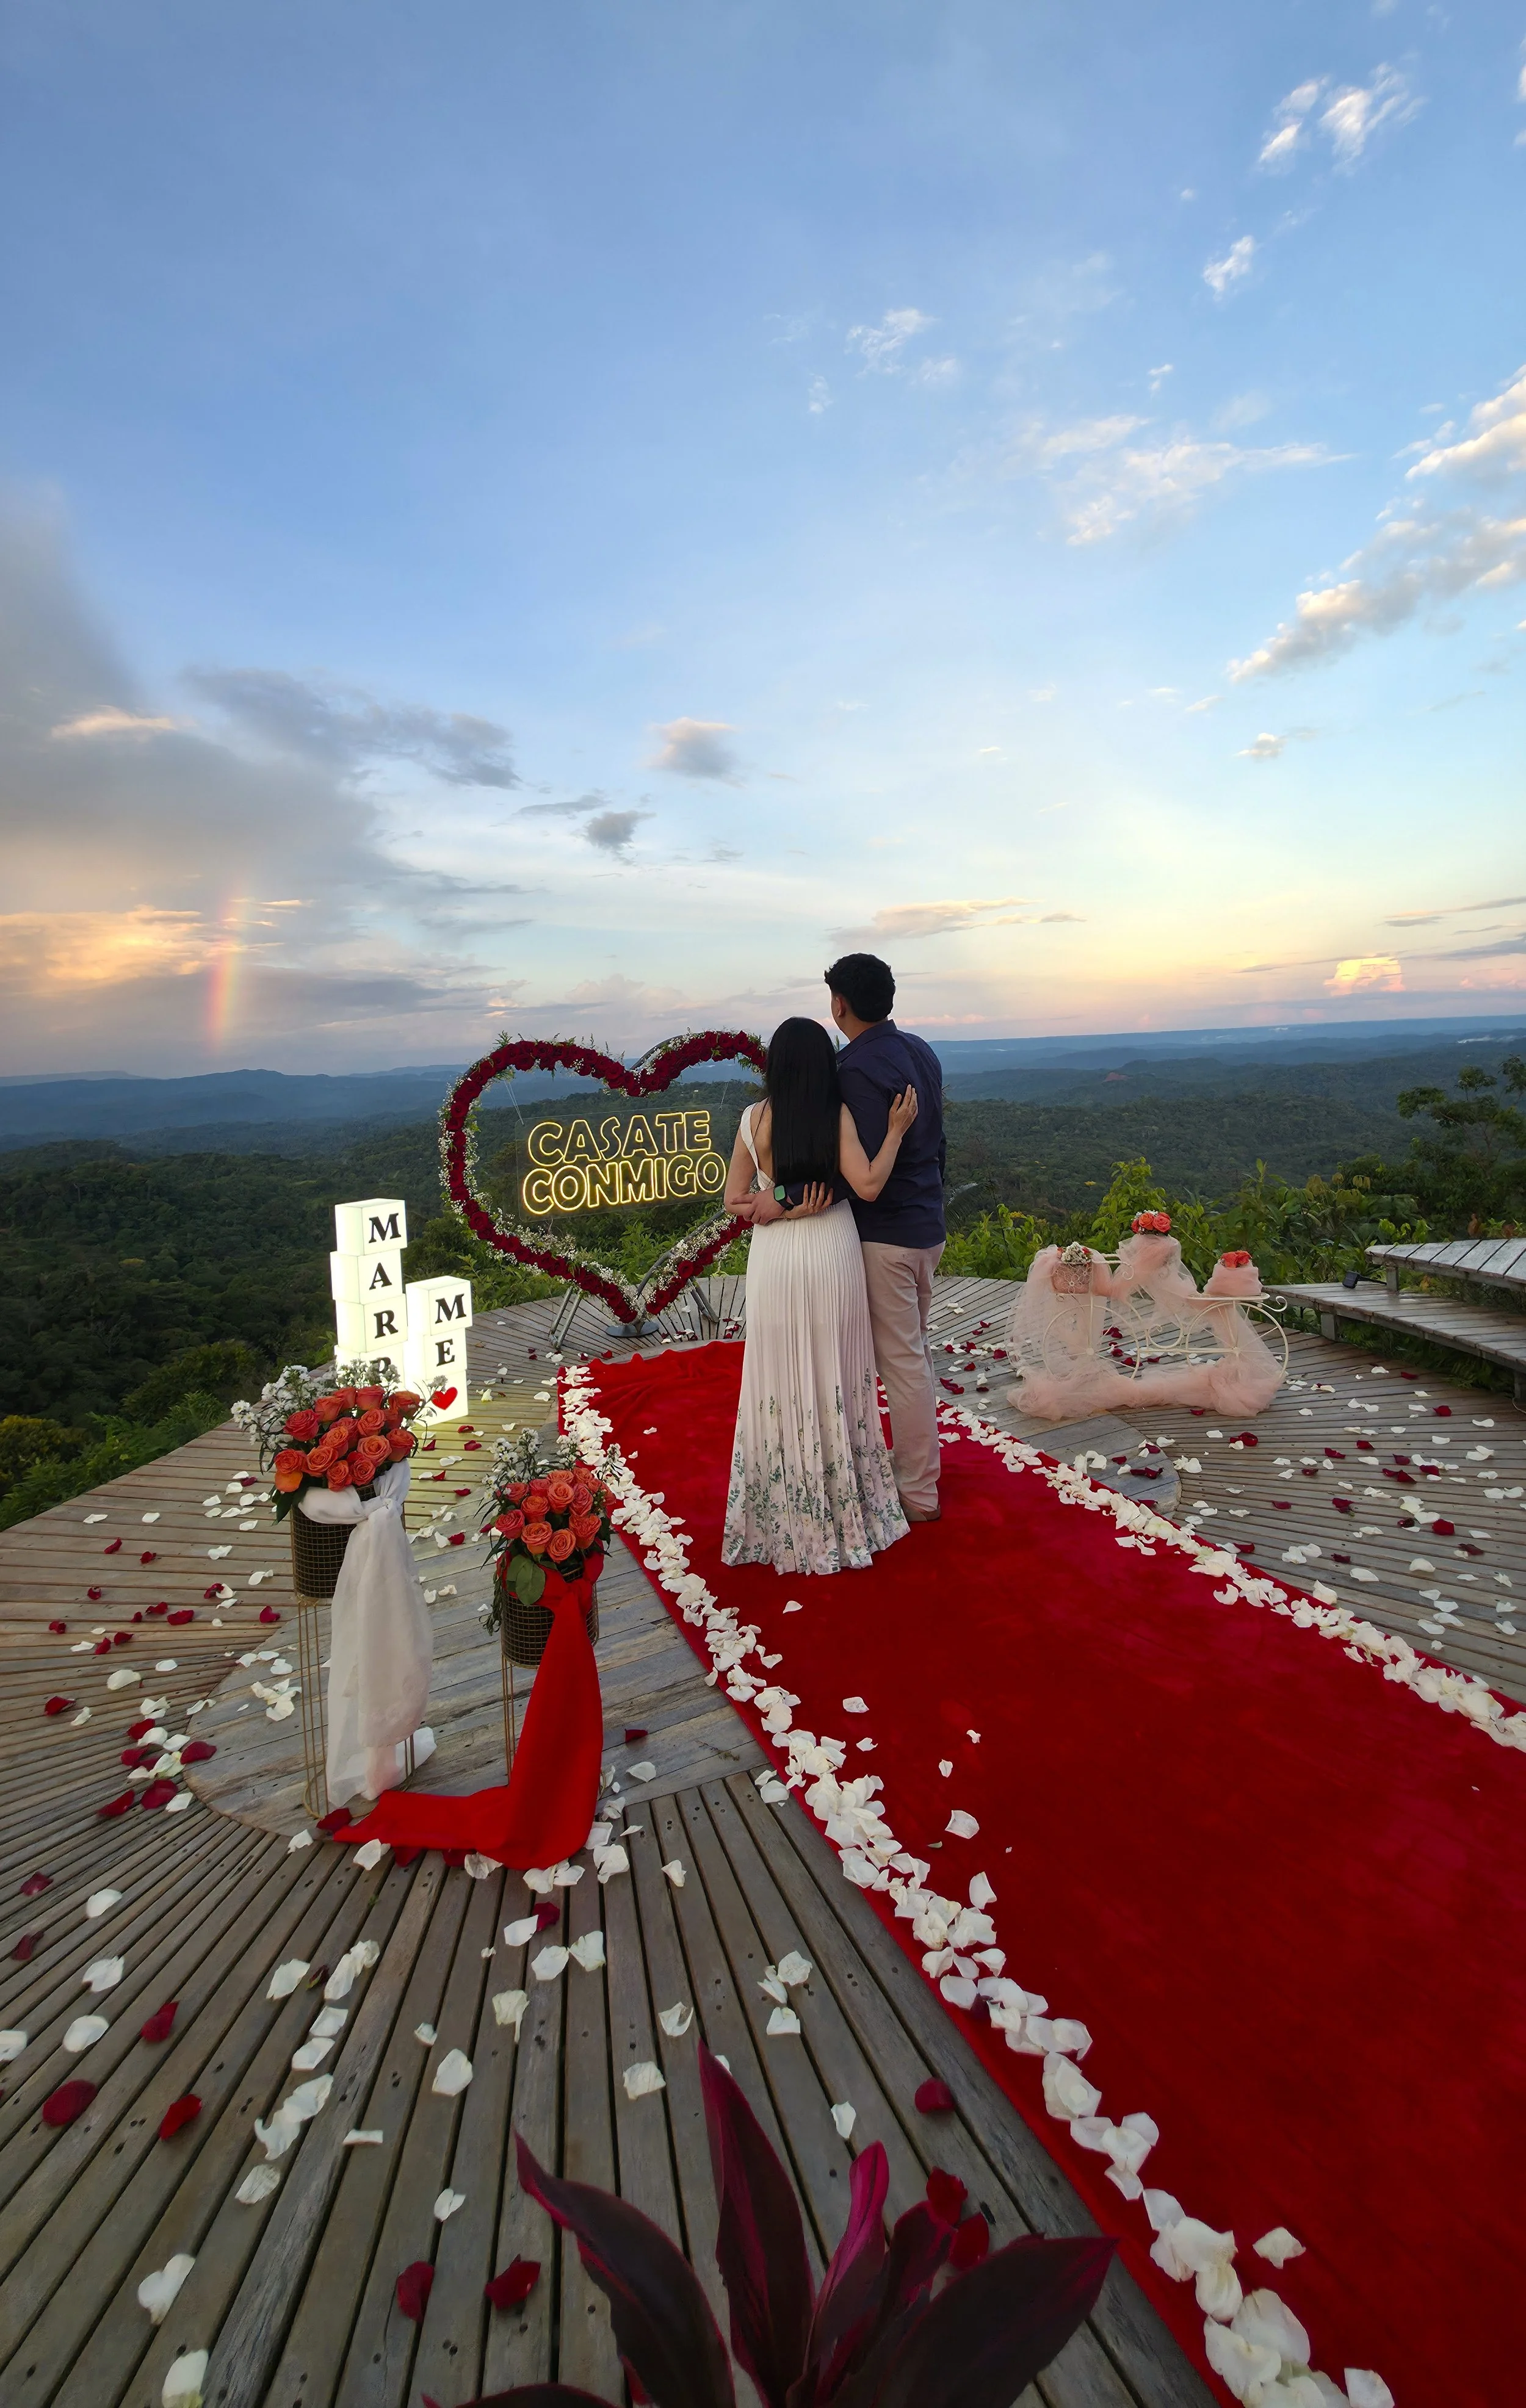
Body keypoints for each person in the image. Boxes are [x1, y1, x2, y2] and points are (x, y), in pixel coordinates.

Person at [720, 1015, 919, 1574]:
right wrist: (898, 1130)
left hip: (778, 1260)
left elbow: (734, 1200)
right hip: (832, 1253)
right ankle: (843, 1501)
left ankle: (782, 1507)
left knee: (778, 1375)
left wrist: (774, 1202)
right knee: (836, 1369)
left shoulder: (752, 1120)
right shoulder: (837, 1115)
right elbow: (871, 1185)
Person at [825, 952, 946, 1522]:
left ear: (839, 1004)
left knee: (902, 1364)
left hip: (887, 1236)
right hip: (928, 1226)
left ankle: (919, 1491)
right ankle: (912, 1466)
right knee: (913, 1357)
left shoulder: (852, 1071)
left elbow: (866, 1170)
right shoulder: (921, 1051)